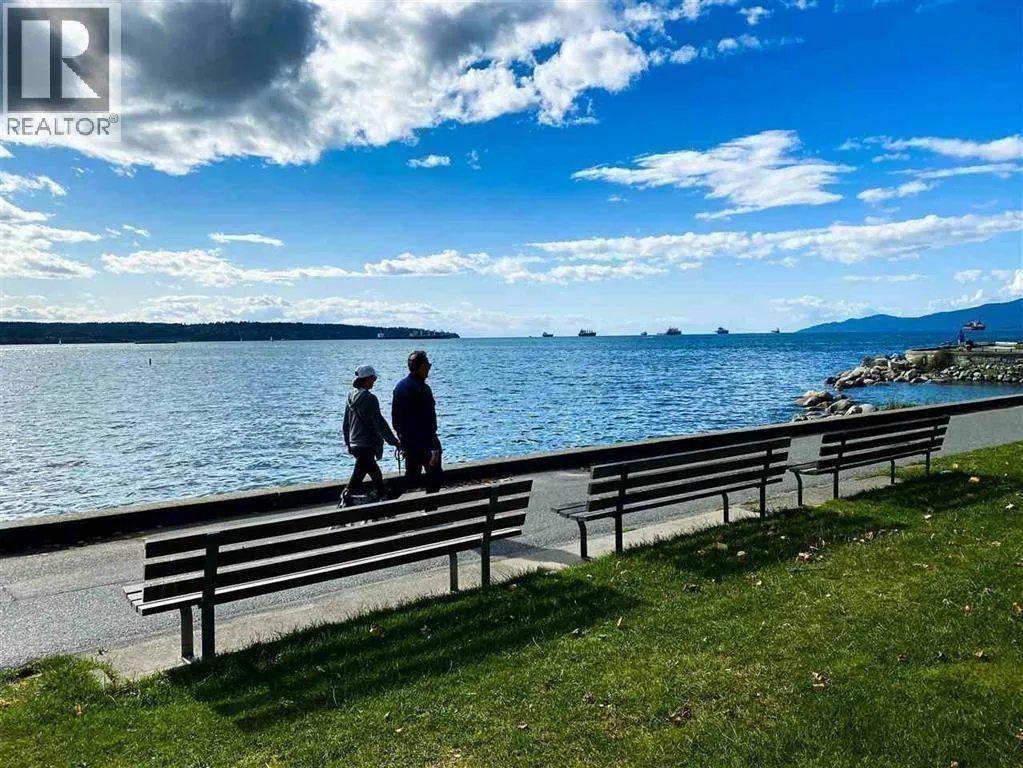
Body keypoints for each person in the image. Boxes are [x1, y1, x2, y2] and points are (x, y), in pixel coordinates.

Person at [341, 365, 400, 506]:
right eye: (373, 378)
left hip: (355, 444)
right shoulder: (370, 398)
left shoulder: (350, 397)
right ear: (367, 379)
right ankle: (347, 502)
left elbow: (345, 424)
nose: (374, 381)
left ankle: (372, 504)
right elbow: (380, 422)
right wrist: (394, 441)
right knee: (372, 476)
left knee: (362, 475)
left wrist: (348, 443)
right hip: (366, 445)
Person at [392, 350, 442, 494]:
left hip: (408, 442)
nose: (429, 368)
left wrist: (402, 437)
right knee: (435, 476)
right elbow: (429, 420)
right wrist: (433, 446)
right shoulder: (423, 389)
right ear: (422, 366)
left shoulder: (399, 387)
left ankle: (392, 497)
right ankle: (431, 505)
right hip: (426, 442)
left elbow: (396, 419)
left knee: (412, 476)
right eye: (428, 365)